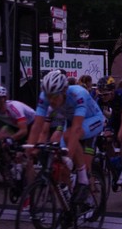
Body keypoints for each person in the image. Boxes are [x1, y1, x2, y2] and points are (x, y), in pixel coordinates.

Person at [27, 70, 105, 203]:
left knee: (71, 144)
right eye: (48, 96)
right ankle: (70, 203)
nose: (51, 100)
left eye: (54, 96)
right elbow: (37, 126)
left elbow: (76, 129)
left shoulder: (78, 94)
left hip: (93, 120)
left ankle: (84, 180)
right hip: (71, 123)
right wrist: (29, 149)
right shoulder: (44, 96)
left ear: (63, 91)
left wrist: (68, 157)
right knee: (61, 165)